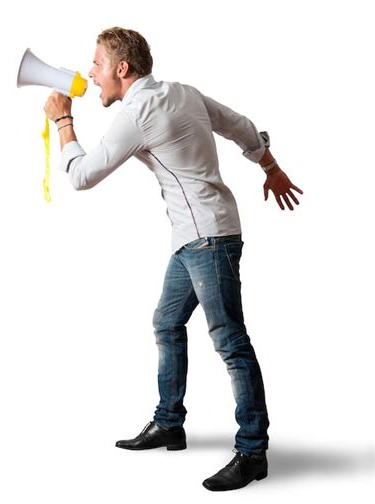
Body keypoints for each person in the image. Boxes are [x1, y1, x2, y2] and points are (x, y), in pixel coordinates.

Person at [44, 26, 303, 492]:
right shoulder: (182, 92)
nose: (90, 72)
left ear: (122, 69)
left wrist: (63, 121)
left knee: (230, 342)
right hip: (197, 238)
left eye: (98, 64)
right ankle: (169, 423)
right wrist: (271, 166)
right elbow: (241, 125)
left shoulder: (137, 112)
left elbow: (82, 176)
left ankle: (252, 451)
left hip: (208, 239)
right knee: (166, 322)